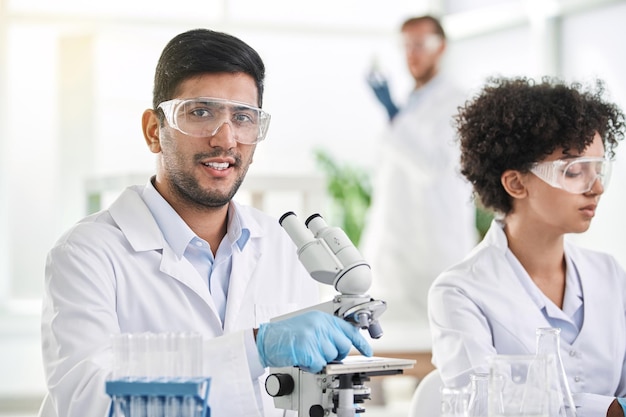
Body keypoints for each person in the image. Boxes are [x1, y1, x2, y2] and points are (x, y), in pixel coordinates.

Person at [39, 28, 372, 417]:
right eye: (201, 112)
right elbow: (85, 402)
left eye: (243, 117)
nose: (226, 139)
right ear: (153, 131)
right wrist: (253, 348)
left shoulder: (284, 248)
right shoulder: (86, 254)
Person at [428, 76, 626, 417]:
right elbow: (482, 406)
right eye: (575, 170)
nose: (596, 188)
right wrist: (609, 409)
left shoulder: (608, 273)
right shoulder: (459, 292)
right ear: (517, 183)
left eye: (599, 169)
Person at [360, 15, 477, 323]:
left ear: (441, 48)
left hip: (434, 247)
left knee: (437, 339)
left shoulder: (457, 102)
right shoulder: (413, 102)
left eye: (421, 45)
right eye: (407, 45)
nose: (412, 54)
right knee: (391, 342)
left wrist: (393, 113)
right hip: (398, 246)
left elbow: (434, 166)